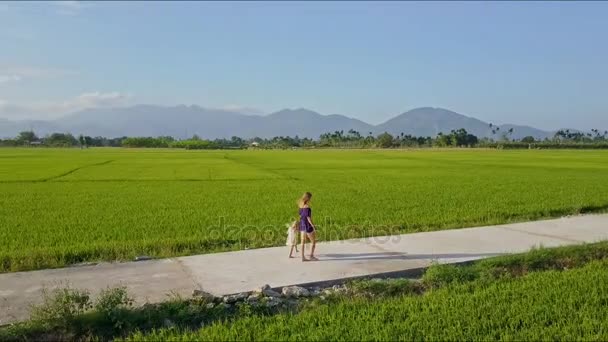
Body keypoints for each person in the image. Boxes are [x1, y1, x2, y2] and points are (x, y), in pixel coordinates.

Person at [298, 192, 317, 261]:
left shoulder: (300, 206)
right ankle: (311, 256)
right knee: (313, 242)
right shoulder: (308, 208)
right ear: (308, 198)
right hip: (308, 226)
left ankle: (303, 257)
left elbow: (300, 216)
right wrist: (313, 226)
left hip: (302, 225)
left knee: (302, 242)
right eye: (310, 198)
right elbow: (309, 218)